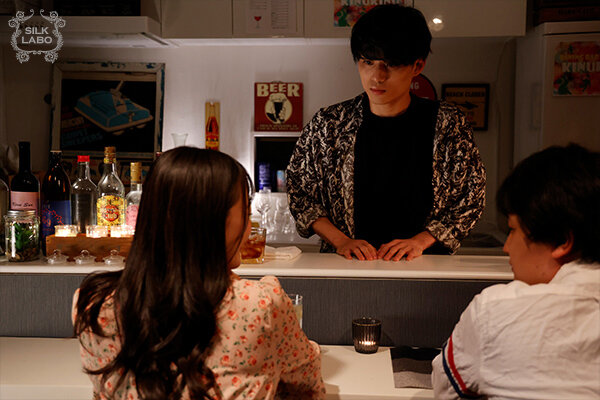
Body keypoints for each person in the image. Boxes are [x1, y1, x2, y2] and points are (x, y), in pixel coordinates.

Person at [73, 148, 325, 400]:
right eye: (246, 214)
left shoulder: (92, 304)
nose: (249, 228)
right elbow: (307, 386)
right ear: (212, 224)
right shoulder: (261, 304)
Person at [286, 4, 485, 262]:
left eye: (390, 64)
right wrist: (341, 241)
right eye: (368, 62)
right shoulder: (329, 124)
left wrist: (420, 241)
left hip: (426, 265)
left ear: (417, 66)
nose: (377, 77)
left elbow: (470, 197)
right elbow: (299, 192)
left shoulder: (448, 124)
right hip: (347, 265)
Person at [432, 144, 600, 399]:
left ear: (561, 241)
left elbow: (445, 391)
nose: (507, 247)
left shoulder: (495, 311)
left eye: (513, 230)